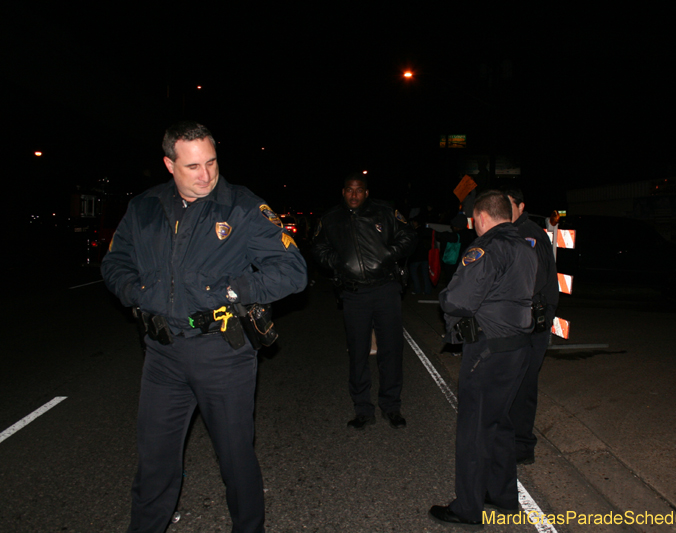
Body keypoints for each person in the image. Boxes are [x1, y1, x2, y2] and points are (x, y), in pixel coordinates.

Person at [102, 121, 307, 533]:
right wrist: (138, 292)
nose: (206, 175)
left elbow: (293, 270)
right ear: (169, 165)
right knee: (155, 460)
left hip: (222, 354)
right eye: (193, 166)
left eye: (211, 162)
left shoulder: (242, 207)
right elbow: (114, 262)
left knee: (235, 458)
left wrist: (234, 289)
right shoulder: (144, 208)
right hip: (162, 354)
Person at [429, 190, 538, 528]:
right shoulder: (526, 246)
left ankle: (468, 507)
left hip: (489, 350)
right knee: (500, 423)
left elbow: (459, 300)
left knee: (475, 428)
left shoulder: (486, 248)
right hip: (518, 347)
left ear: (480, 217)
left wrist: (444, 295)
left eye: (473, 219)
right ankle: (501, 495)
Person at [311, 174, 416, 430]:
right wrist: (338, 262)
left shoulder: (386, 212)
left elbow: (409, 236)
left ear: (367, 193)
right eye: (349, 190)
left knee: (391, 351)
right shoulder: (330, 218)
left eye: (359, 190)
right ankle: (362, 409)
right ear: (343, 191)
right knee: (357, 352)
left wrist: (388, 254)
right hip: (354, 294)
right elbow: (318, 248)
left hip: (385, 290)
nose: (354, 195)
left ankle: (391, 406)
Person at [505, 188, 559, 465]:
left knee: (524, 387)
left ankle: (523, 447)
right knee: (513, 384)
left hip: (531, 324)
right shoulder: (510, 231)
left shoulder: (528, 234)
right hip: (522, 322)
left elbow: (531, 282)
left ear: (521, 206)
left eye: (508, 204)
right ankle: (513, 442)